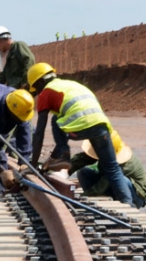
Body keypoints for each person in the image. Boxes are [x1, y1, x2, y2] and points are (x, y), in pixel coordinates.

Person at [26, 62, 138, 208]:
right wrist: (51, 159)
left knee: (56, 119)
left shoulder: (46, 92)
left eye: (37, 88)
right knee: (112, 167)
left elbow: (39, 132)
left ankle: (63, 155)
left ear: (40, 82)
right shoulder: (73, 85)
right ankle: (128, 204)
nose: (38, 92)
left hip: (79, 124)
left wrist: (33, 165)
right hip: (101, 126)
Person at [66, 131, 146, 208]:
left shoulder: (124, 164)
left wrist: (82, 197)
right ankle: (93, 200)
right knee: (84, 171)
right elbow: (81, 159)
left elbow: (103, 183)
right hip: (113, 188)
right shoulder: (104, 152)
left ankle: (127, 205)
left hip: (135, 196)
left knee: (122, 179)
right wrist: (63, 171)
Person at [0, 26, 35, 90]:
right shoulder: (10, 54)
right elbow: (4, 75)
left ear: (0, 40)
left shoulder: (18, 45)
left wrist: (25, 84)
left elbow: (29, 61)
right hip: (14, 90)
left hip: (22, 89)